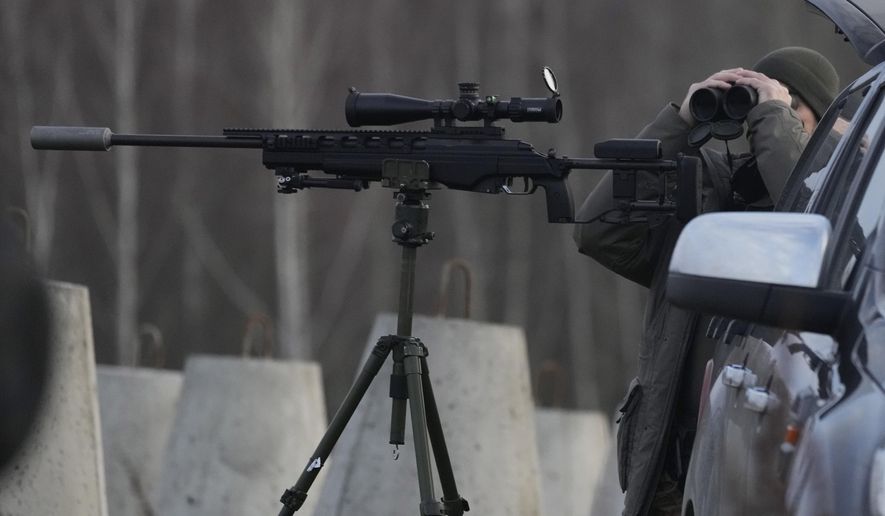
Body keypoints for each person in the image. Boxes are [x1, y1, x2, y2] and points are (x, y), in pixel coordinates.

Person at [573, 47, 839, 516]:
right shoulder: (705, 188)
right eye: (754, 99)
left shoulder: (829, 209)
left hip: (753, 471)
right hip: (672, 469)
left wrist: (774, 117)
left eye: (789, 105)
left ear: (822, 125)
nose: (764, 113)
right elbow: (599, 231)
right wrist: (678, 123)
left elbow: (803, 208)